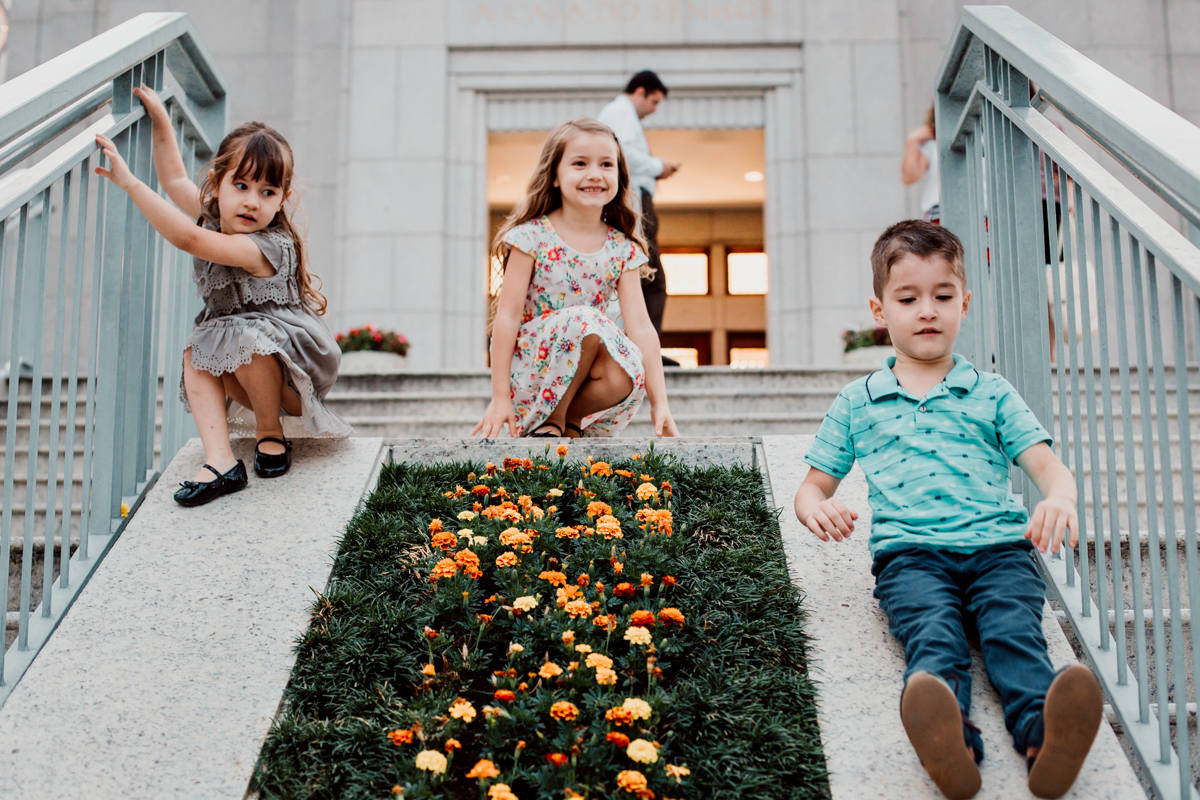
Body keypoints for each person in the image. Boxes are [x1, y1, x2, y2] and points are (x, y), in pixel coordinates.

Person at [793, 220, 1102, 800]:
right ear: (880, 310)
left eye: (941, 297)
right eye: (908, 298)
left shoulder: (992, 392)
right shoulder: (857, 401)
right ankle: (951, 742)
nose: (927, 311)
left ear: (963, 303)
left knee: (1014, 634)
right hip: (910, 558)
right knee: (934, 638)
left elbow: (1048, 468)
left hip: (1000, 554)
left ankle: (1045, 735)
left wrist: (1059, 497)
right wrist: (814, 507)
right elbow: (813, 487)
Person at [95, 86, 350, 507]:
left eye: (268, 192)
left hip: (290, 373)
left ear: (283, 199)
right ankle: (221, 461)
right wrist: (161, 120)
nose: (252, 202)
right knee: (197, 351)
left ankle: (270, 431)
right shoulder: (215, 214)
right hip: (243, 362)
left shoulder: (263, 245)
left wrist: (128, 182)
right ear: (218, 183)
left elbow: (185, 237)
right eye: (242, 185)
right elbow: (175, 177)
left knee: (244, 338)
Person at [472, 117, 678, 440]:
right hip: (533, 372)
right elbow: (507, 318)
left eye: (606, 164)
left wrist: (660, 403)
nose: (594, 174)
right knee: (585, 320)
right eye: (580, 163)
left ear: (619, 177)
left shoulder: (622, 248)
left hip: (582, 377)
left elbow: (640, 327)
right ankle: (549, 418)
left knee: (630, 363)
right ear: (555, 176)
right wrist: (500, 398)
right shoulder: (531, 237)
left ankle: (568, 421)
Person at [596, 70, 679, 338]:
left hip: (635, 200)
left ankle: (644, 341)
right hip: (634, 202)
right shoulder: (620, 112)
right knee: (650, 275)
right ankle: (646, 344)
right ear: (640, 91)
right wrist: (658, 166)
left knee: (647, 274)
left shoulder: (620, 114)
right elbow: (622, 154)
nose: (654, 110)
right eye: (654, 102)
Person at [902, 102, 940, 223]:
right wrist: (912, 141)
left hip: (985, 211)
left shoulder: (987, 136)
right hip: (938, 212)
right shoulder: (932, 143)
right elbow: (909, 177)